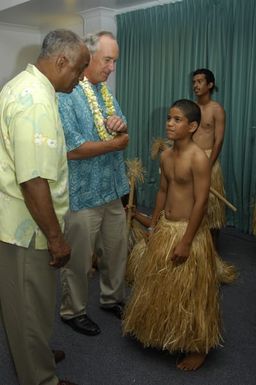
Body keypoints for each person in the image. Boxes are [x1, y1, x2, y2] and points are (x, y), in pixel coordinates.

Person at [0, 29, 89, 385]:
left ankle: (34, 352)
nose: (81, 77)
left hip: (23, 221)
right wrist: (56, 237)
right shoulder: (34, 99)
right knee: (27, 307)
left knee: (33, 304)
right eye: (79, 69)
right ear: (61, 61)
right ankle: (40, 378)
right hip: (26, 227)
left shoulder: (27, 86)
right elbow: (33, 178)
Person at [123, 99, 221, 371]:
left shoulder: (198, 158)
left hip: (189, 231)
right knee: (160, 284)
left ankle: (198, 347)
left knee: (192, 293)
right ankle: (162, 331)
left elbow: (201, 202)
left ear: (192, 126)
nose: (169, 123)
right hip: (166, 226)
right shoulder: (166, 156)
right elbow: (163, 192)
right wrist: (153, 227)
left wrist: (187, 241)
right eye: (169, 118)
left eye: (177, 120)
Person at [58, 31, 129, 336]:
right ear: (88, 58)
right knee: (78, 260)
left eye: (114, 61)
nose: (112, 67)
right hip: (83, 194)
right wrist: (116, 144)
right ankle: (72, 311)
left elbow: (123, 133)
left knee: (116, 251)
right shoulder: (66, 94)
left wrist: (120, 127)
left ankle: (111, 298)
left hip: (111, 188)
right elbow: (72, 148)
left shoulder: (106, 93)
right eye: (108, 60)